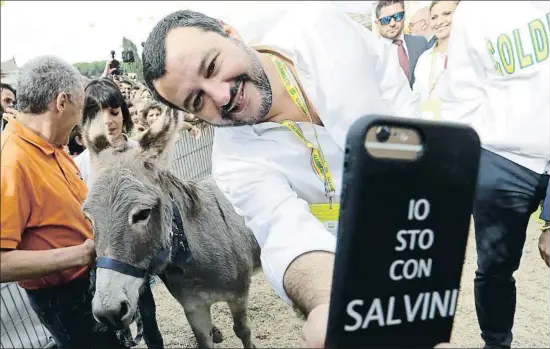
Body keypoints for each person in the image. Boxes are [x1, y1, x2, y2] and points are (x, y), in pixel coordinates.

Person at [142, 3, 417, 346]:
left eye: (213, 66)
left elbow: (400, 117)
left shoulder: (318, 28)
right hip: (353, 257)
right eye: (197, 101)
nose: (222, 95)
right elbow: (284, 234)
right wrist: (330, 303)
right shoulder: (234, 164)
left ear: (230, 32)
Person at [438, 1, 550, 348]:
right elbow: (461, 99)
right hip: (502, 159)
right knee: (495, 269)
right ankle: (496, 343)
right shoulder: (475, 12)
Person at [0, 55, 123, 348]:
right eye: (81, 107)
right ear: (62, 102)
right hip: (65, 300)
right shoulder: (11, 164)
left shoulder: (52, 146)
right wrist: (81, 254)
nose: (81, 119)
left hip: (89, 282)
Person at [73, 77, 137, 189]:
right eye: (99, 116)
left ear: (123, 113)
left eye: (114, 113)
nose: (107, 121)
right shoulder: (77, 167)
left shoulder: (142, 153)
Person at [412, 0, 459, 120]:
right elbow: (416, 100)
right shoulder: (424, 58)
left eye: (447, 14)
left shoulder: (470, 54)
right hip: (427, 130)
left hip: (460, 131)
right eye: (434, 17)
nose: (439, 22)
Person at [374, 0, 432, 87]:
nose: (392, 23)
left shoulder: (420, 43)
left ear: (404, 16)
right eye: (386, 20)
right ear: (377, 23)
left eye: (397, 16)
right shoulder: (372, 52)